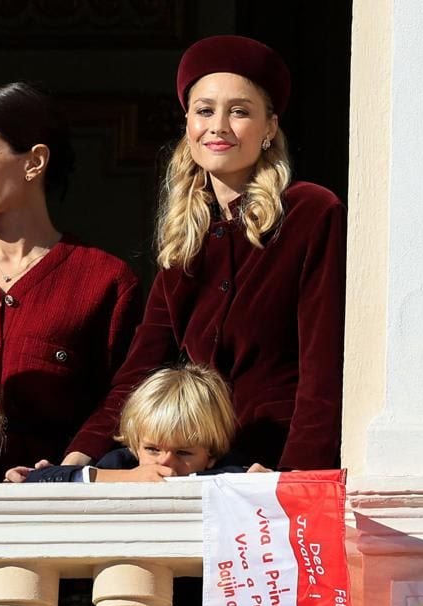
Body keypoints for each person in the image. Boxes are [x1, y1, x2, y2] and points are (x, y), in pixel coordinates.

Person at [66, 35, 347, 474]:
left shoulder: (311, 212)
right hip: (194, 464)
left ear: (270, 127)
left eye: (239, 111)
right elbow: (139, 368)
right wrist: (76, 457)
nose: (218, 126)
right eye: (205, 110)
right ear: (188, 125)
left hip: (270, 463)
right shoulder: (185, 235)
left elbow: (323, 370)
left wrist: (294, 480)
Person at [0, 81, 143, 480]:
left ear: (34, 162)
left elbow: (125, 395)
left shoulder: (106, 280)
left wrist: (68, 468)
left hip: (60, 509)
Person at [7, 364, 268, 483]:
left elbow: (244, 478)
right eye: (153, 449)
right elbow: (41, 478)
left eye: (183, 452)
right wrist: (125, 478)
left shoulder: (229, 472)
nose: (164, 462)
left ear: (212, 455)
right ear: (135, 446)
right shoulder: (121, 464)